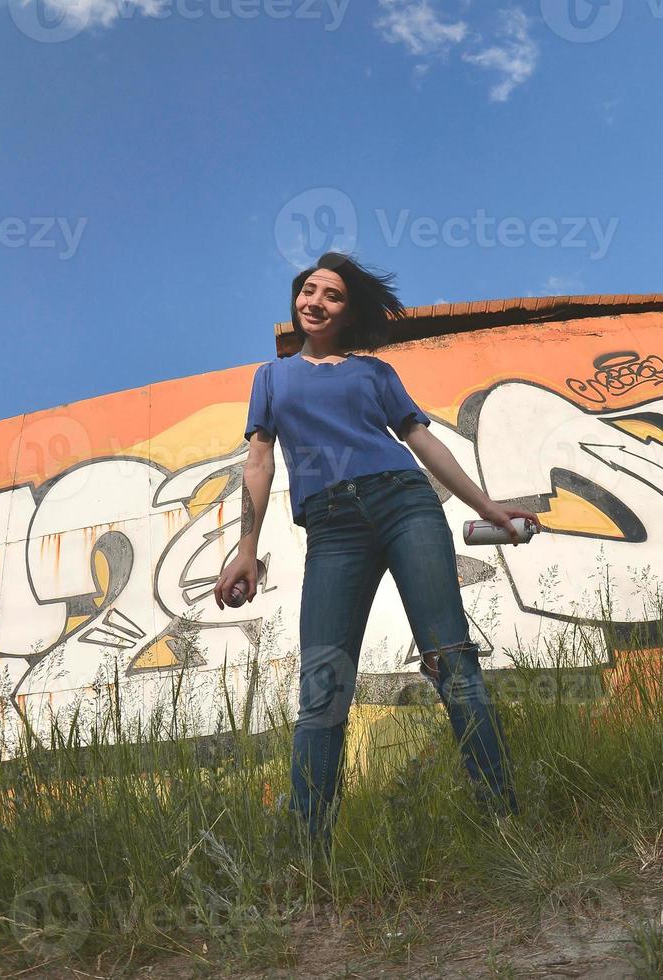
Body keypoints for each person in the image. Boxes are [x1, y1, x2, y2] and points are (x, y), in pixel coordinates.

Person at [213, 252, 541, 846]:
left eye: (331, 295)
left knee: (451, 660)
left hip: (403, 504)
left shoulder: (374, 373)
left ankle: (505, 822)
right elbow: (258, 462)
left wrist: (488, 508)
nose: (314, 301)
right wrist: (246, 547)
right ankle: (310, 855)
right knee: (323, 680)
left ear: (348, 311)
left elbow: (421, 440)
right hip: (331, 528)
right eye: (308, 290)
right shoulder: (272, 377)